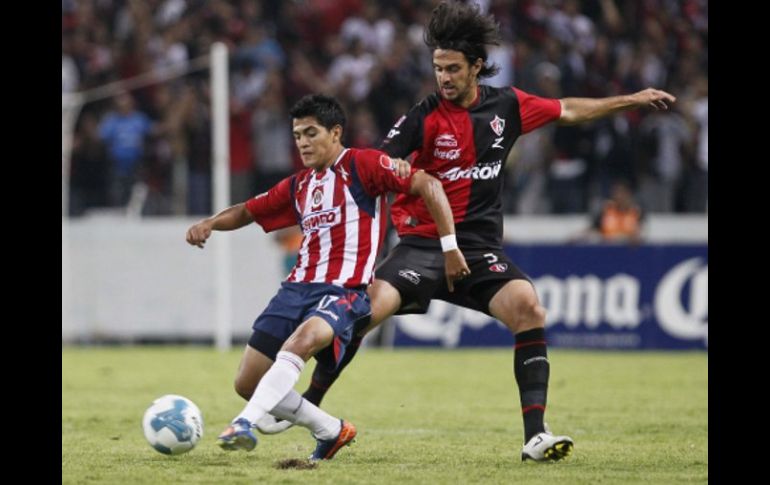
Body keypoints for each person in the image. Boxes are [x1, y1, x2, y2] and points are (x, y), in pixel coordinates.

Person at [258, 1, 676, 463]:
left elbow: (569, 110)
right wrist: (395, 167)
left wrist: (631, 99)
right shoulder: (423, 115)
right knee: (362, 312)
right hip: (421, 246)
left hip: (477, 249)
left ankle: (535, 437)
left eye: (453, 68)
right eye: (438, 69)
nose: (444, 78)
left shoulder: (507, 106)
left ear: (477, 66)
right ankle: (308, 405)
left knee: (529, 308)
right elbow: (378, 162)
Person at [185, 94, 469, 460]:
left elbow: (428, 185)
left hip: (344, 291)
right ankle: (331, 430)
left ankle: (243, 424)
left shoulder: (364, 165)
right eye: (297, 135)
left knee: (302, 342)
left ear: (335, 133)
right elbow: (248, 211)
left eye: (310, 133)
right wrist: (210, 223)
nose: (302, 143)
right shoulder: (300, 185)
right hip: (294, 290)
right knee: (247, 382)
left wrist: (450, 247)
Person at [571, 180, 645, 244]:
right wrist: (578, 236)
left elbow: (641, 233)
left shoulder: (636, 211)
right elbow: (594, 228)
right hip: (607, 249)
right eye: (616, 193)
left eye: (622, 193)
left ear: (629, 194)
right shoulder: (606, 210)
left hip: (629, 250)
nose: (619, 196)